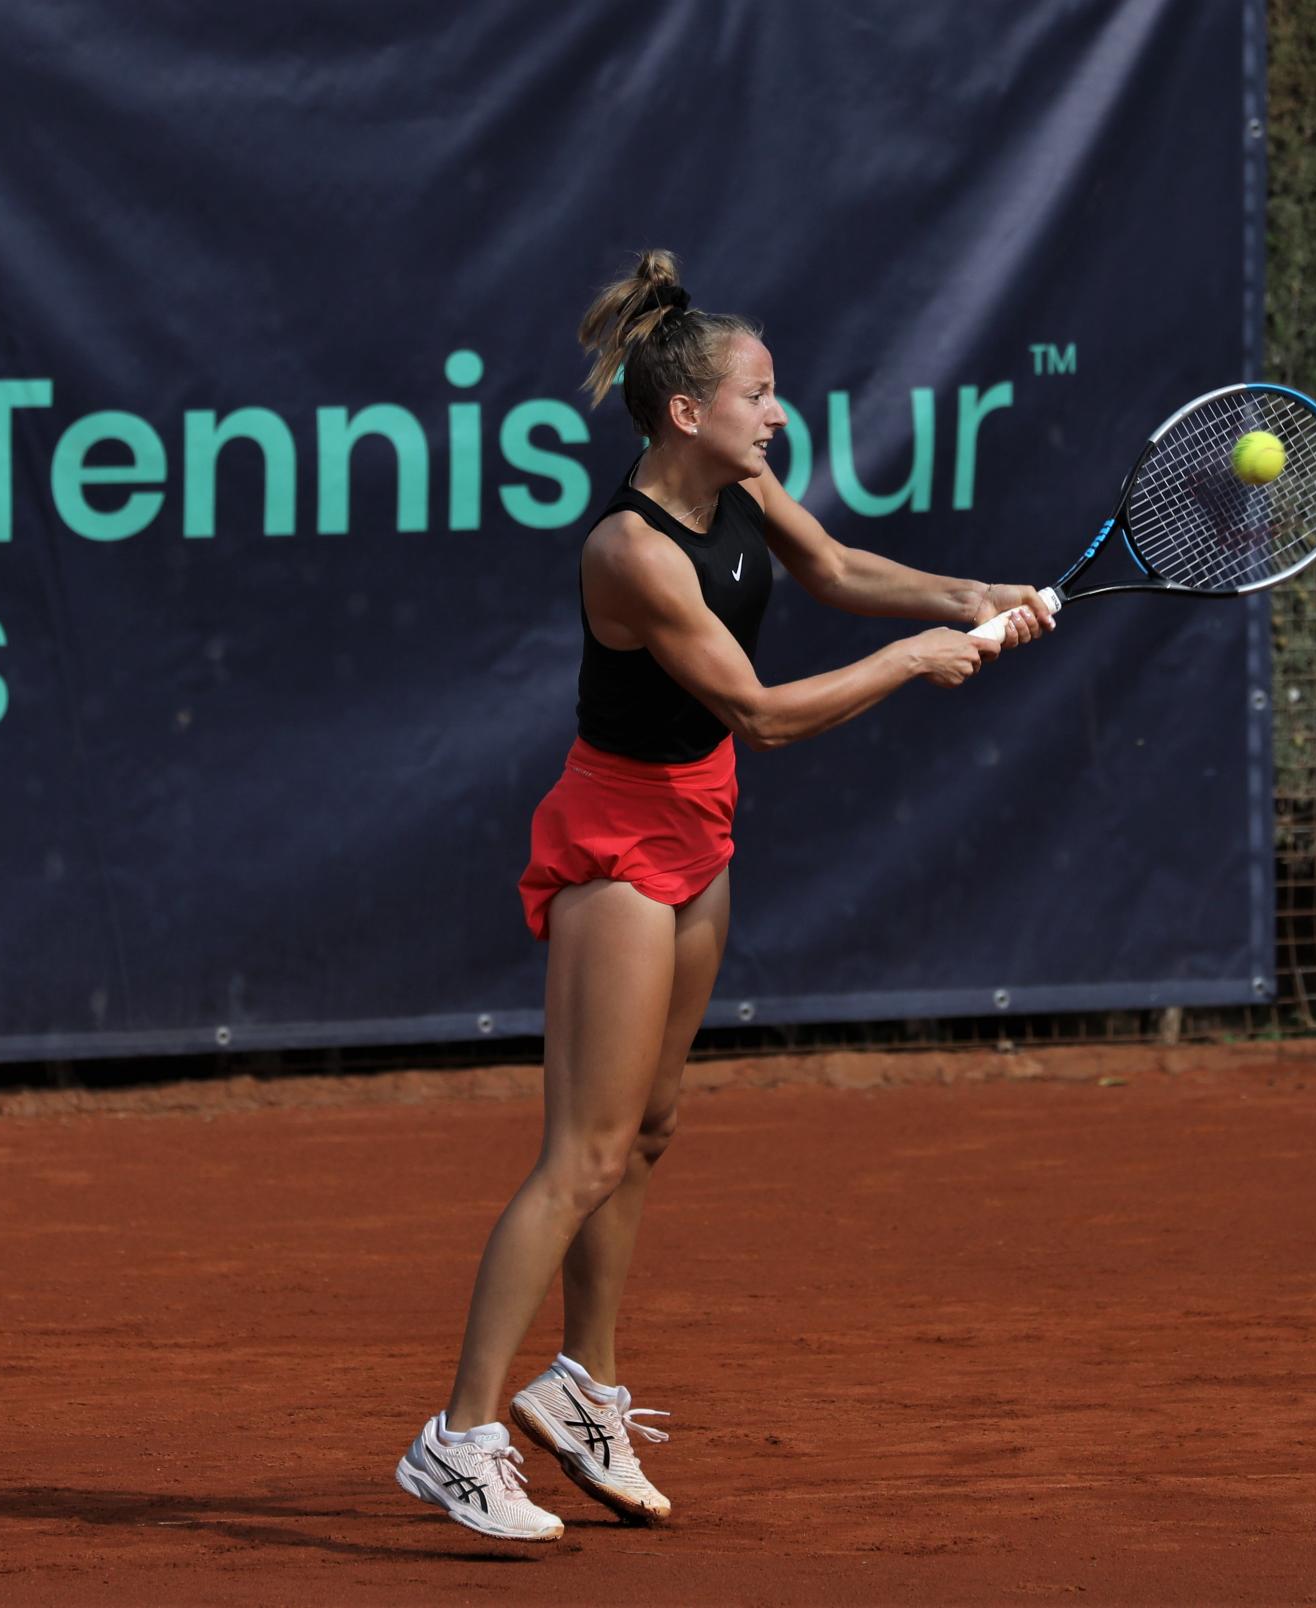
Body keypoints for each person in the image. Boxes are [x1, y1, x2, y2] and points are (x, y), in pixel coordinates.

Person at [393, 250, 1053, 1543]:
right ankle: (457, 1437)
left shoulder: (741, 482)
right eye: (760, 394)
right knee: (582, 1153)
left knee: (648, 1132)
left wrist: (967, 595)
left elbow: (833, 568)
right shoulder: (631, 552)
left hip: (700, 827)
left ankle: (582, 1386)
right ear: (687, 411)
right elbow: (759, 714)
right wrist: (916, 658)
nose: (779, 414)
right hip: (618, 844)